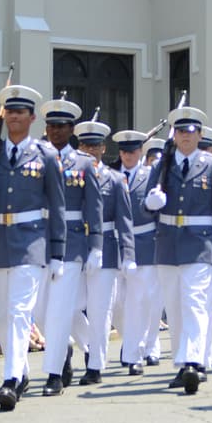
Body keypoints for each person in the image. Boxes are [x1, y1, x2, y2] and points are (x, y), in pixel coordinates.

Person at [0, 82, 65, 411]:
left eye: (20, 112)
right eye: (9, 111)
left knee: (19, 310)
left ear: (32, 117)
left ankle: (10, 378)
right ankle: (21, 371)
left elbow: (58, 206)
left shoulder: (46, 155)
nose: (13, 116)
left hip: (30, 241)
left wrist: (57, 252)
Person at [142, 100, 212, 395]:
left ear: (199, 135)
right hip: (169, 244)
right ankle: (183, 362)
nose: (185, 136)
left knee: (195, 302)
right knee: (175, 306)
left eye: (191, 131)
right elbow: (147, 206)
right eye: (180, 131)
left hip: (201, 244)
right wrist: (151, 202)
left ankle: (194, 361)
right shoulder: (162, 165)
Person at [37, 96, 100, 397]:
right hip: (38, 239)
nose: (55, 132)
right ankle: (68, 348)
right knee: (38, 312)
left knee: (61, 309)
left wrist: (96, 245)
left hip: (73, 242)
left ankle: (54, 372)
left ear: (72, 129)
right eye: (51, 126)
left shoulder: (84, 163)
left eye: (61, 126)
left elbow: (94, 208)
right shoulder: (35, 158)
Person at [79, 120, 134, 385]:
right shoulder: (72, 174)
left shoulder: (115, 179)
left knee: (101, 311)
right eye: (85, 145)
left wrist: (128, 254)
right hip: (76, 247)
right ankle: (86, 346)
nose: (90, 150)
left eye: (95, 145)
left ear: (103, 148)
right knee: (68, 307)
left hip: (107, 251)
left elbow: (125, 219)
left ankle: (95, 365)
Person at [115, 130, 160, 373]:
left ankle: (142, 348)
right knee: (120, 303)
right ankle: (133, 342)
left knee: (145, 301)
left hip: (146, 242)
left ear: (140, 152)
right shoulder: (113, 176)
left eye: (132, 151)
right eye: (123, 151)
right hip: (118, 243)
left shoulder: (151, 175)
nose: (128, 156)